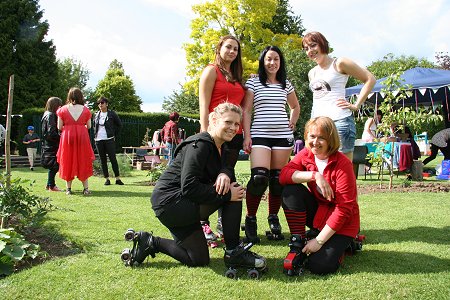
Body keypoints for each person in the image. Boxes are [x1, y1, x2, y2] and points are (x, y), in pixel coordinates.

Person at [124, 103, 267, 272]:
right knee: (232, 192)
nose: (233, 128)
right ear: (213, 120)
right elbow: (189, 187)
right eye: (228, 122)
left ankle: (150, 242)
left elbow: (226, 166)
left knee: (198, 258)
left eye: (237, 124)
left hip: (180, 204)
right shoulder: (200, 144)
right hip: (171, 203)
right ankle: (233, 251)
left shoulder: (222, 146)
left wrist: (225, 173)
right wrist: (227, 195)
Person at [280, 116, 360, 275]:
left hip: (344, 223)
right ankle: (298, 242)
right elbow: (284, 175)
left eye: (321, 137)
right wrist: (314, 175)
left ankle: (346, 244)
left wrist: (319, 241)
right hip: (320, 213)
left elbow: (344, 209)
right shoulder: (306, 154)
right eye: (312, 136)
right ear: (306, 136)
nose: (315, 142)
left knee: (320, 266)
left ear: (331, 139)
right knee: (290, 190)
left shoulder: (343, 164)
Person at [242, 45, 300, 243]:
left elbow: (295, 106)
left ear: (280, 62)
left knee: (277, 180)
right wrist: (247, 136)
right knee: (259, 178)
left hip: (282, 136)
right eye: (269, 59)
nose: (272, 63)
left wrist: (292, 121)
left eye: (276, 59)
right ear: (263, 61)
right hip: (259, 135)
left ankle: (273, 217)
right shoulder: (253, 83)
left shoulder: (286, 84)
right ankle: (250, 218)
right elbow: (247, 111)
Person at [198, 35, 246, 240]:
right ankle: (202, 224)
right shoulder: (211, 71)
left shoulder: (235, 76)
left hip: (234, 135)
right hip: (215, 133)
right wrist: (204, 131)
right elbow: (204, 103)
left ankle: (224, 227)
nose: (232, 51)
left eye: (236, 49)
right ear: (219, 48)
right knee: (209, 178)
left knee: (228, 177)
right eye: (228, 47)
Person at [303, 31, 376, 161]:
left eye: (313, 45)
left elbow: (370, 79)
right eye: (306, 48)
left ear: (322, 44)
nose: (310, 51)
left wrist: (356, 105)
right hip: (317, 126)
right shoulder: (312, 73)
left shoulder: (339, 63)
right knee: (319, 168)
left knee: (343, 169)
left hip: (340, 122)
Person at [57, 87, 95, 195]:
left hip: (67, 136)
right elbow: (89, 126)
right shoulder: (86, 110)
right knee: (83, 159)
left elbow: (59, 126)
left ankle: (68, 189)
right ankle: (86, 189)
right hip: (82, 136)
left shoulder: (62, 110)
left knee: (67, 159)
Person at [93, 97, 124, 186]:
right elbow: (94, 127)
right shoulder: (96, 114)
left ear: (106, 104)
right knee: (102, 160)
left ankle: (117, 178)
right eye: (99, 103)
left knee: (113, 159)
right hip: (98, 140)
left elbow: (119, 125)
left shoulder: (112, 114)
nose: (100, 104)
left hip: (109, 139)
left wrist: (114, 135)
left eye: (102, 103)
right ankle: (107, 179)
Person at [41, 97, 63, 191]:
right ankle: (51, 185)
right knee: (54, 165)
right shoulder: (51, 115)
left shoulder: (45, 114)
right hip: (52, 144)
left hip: (47, 143)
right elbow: (51, 132)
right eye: (59, 105)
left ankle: (49, 184)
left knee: (52, 165)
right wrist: (61, 137)